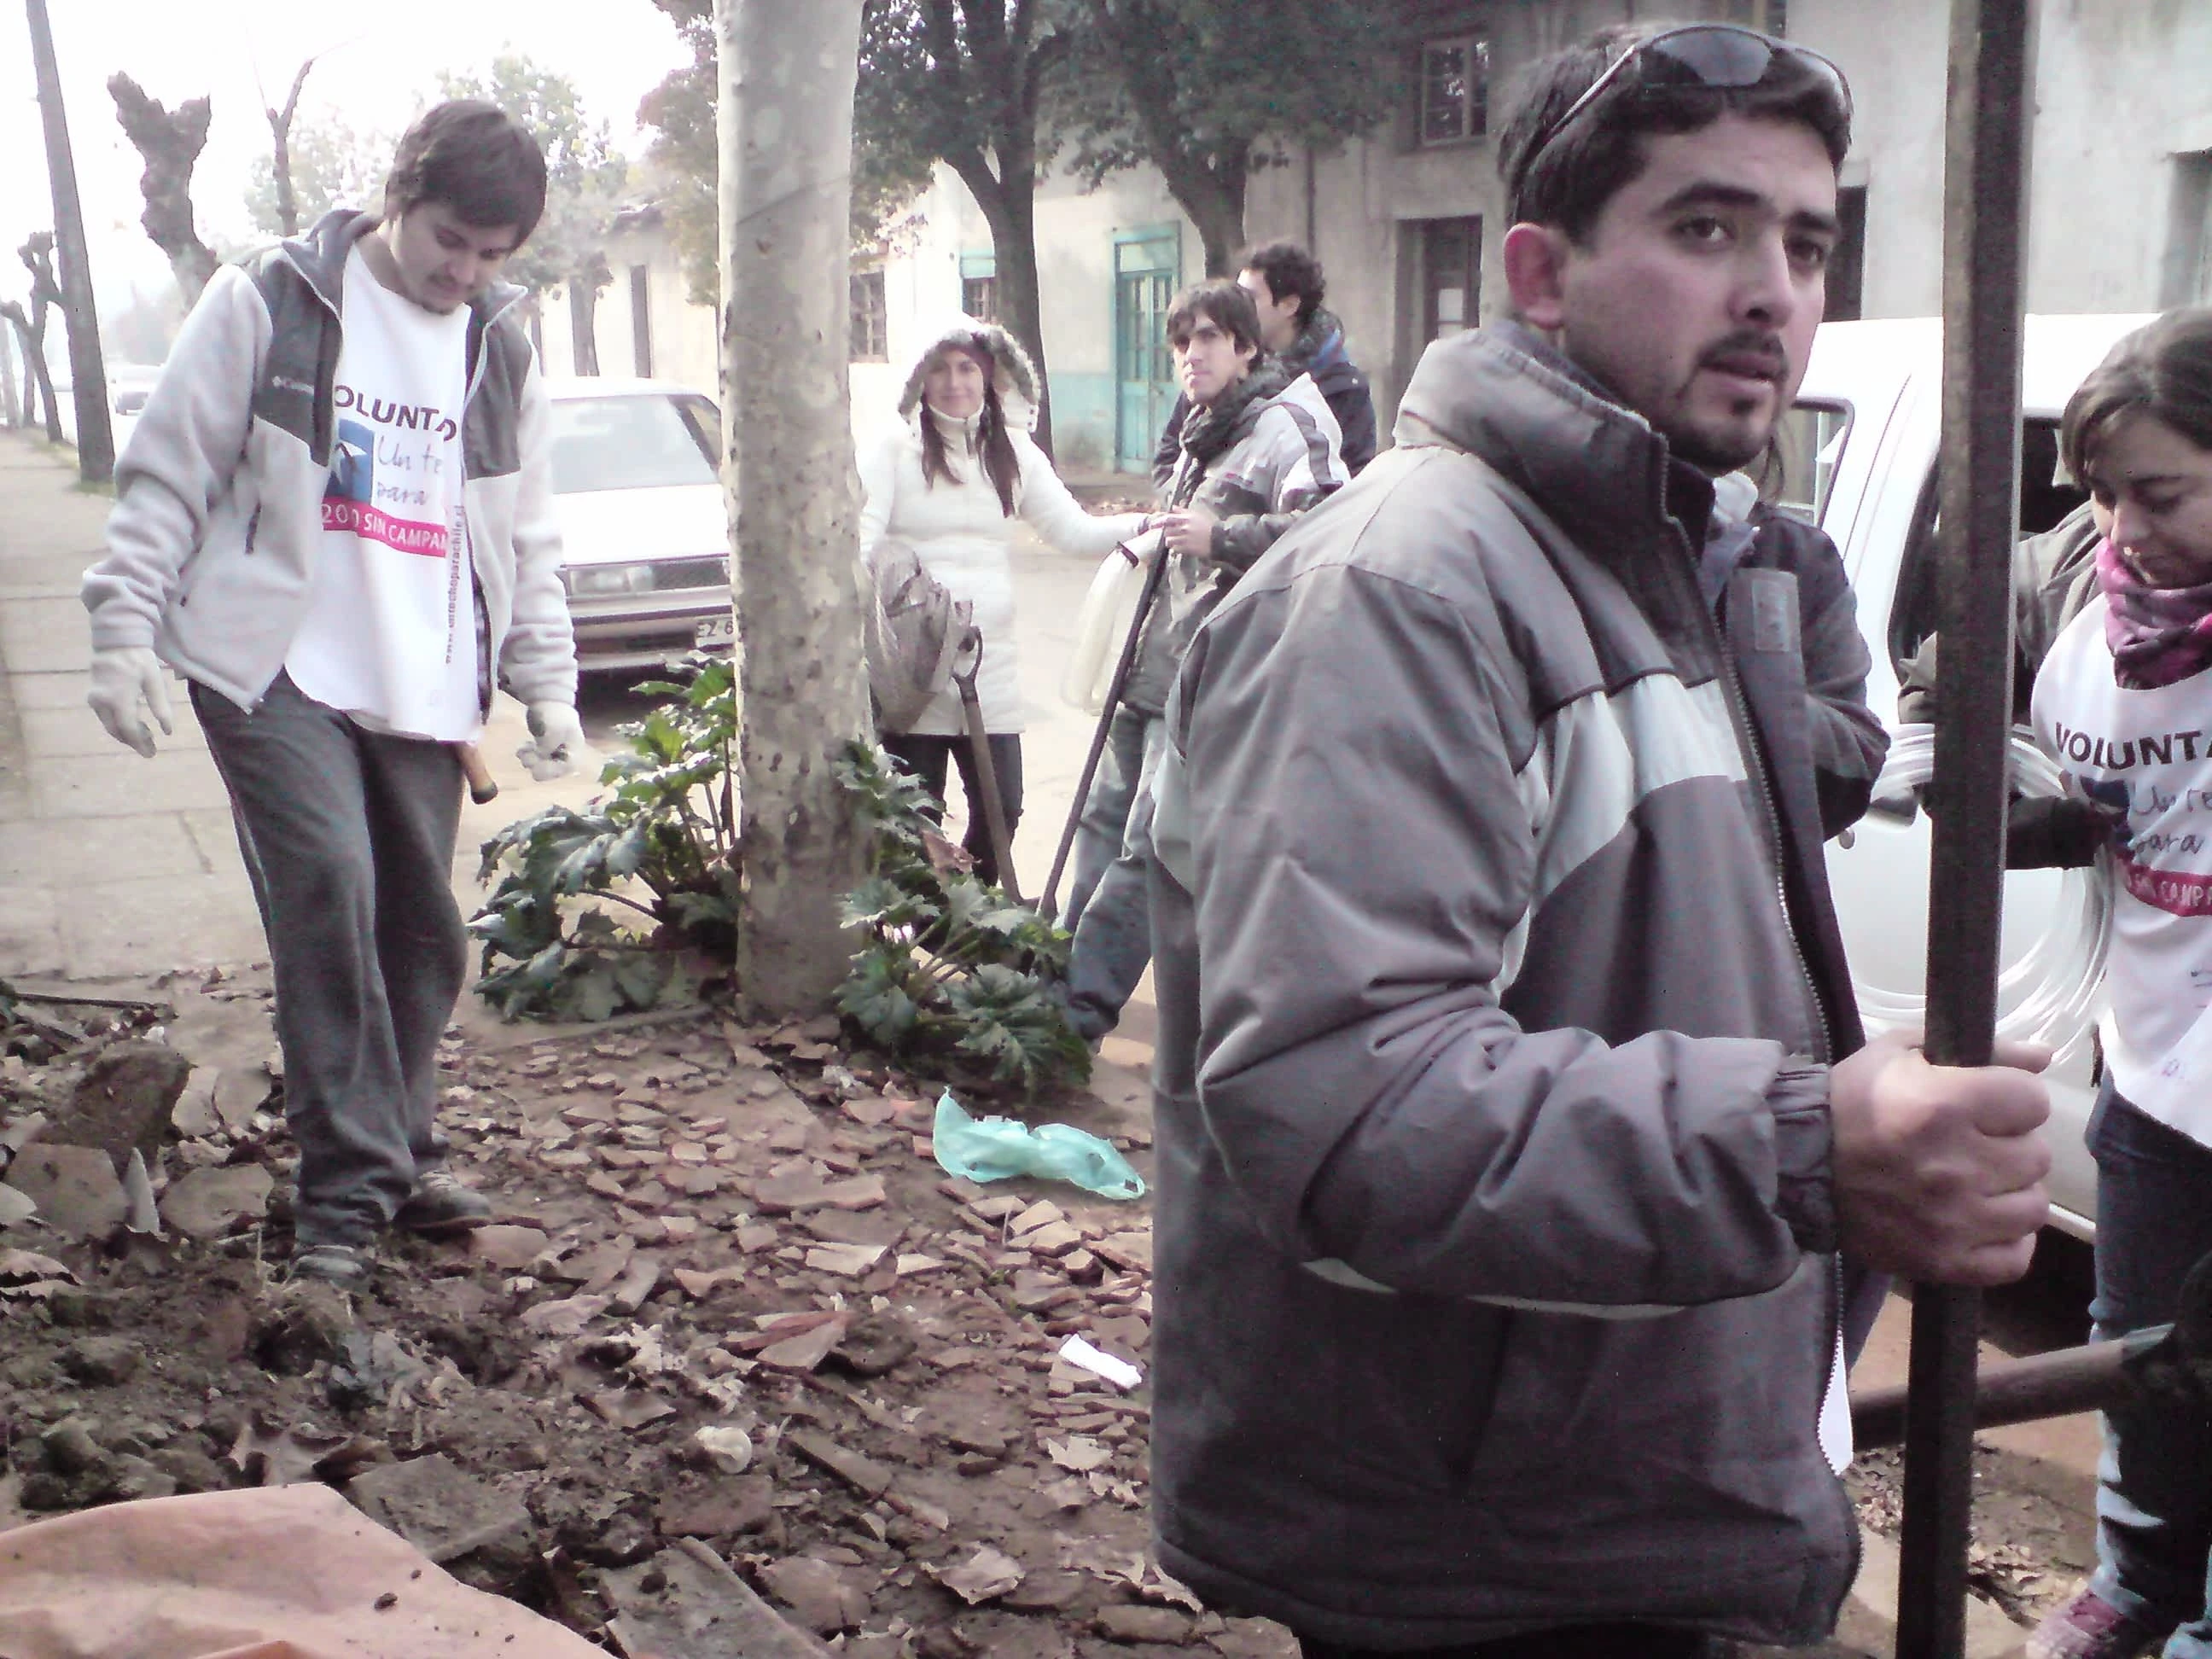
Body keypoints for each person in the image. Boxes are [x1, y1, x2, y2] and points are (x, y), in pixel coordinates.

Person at [1141, 23, 2056, 1656]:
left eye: (1804, 241)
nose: (1770, 289)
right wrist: (1800, 1144)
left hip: (1637, 1478)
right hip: (1488, 1551)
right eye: (1704, 230)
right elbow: (1337, 1103)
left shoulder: (1700, 557)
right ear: (1540, 274)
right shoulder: (1405, 589)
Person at [80, 102, 586, 1288]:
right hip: (273, 666)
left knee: (421, 933)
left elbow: (529, 533)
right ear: (396, 196)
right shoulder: (274, 298)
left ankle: (398, 1155)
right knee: (328, 888)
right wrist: (122, 632)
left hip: (423, 680)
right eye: (448, 240)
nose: (462, 271)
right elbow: (169, 471)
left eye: (491, 254)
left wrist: (546, 683)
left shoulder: (498, 346)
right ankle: (343, 1197)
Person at [2016, 308, 2212, 1659]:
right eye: (2099, 491)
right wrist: (2031, 805)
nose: (2122, 526)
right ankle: (2136, 1583)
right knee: (2138, 1345)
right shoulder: (2074, 597)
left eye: (2162, 494)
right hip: (2149, 1072)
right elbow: (1936, 696)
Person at [1058, 278, 1344, 1043]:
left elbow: (1333, 526)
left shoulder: (1286, 426)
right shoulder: (1201, 424)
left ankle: (1073, 1014)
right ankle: (1047, 986)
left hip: (1209, 679)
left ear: (1248, 347)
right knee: (1097, 832)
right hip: (1149, 664)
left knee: (1148, 850)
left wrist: (1222, 539)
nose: (1192, 355)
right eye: (1183, 342)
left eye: (1211, 338)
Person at [859, 320, 1149, 886]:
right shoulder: (893, 450)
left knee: (1005, 807)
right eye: (940, 368)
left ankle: (966, 918)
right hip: (913, 668)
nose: (953, 382)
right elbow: (862, 543)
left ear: (991, 374)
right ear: (920, 377)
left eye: (967, 367)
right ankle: (931, 931)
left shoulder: (1013, 453)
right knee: (917, 820)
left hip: (987, 665)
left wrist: (1148, 525)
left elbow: (1073, 531)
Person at [1149, 239, 1377, 481]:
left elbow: (1349, 485)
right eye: (1182, 343)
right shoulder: (1213, 371)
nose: (1193, 354)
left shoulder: (1340, 386)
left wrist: (1233, 514)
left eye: (1247, 297)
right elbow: (1168, 459)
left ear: (1289, 305)